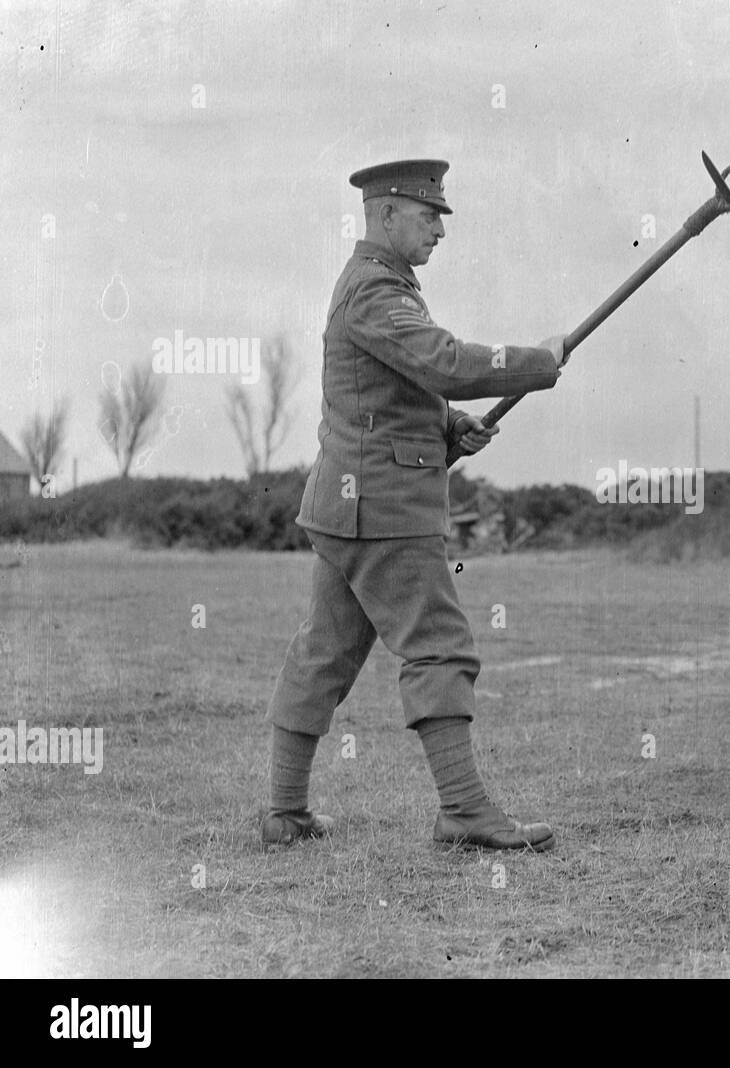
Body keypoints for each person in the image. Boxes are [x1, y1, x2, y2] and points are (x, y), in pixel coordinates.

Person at [262, 159, 566, 849]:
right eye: (429, 216)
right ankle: (462, 810)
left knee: (324, 653)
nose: (438, 230)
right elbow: (445, 363)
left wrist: (451, 428)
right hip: (385, 509)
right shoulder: (375, 289)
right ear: (387, 213)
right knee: (438, 648)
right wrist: (538, 364)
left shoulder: (385, 288)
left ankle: (283, 813)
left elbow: (396, 389)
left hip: (352, 505)